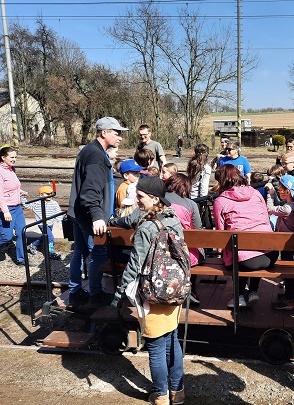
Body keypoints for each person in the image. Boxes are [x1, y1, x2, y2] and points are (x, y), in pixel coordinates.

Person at [109, 176, 185, 405]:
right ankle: (177, 392)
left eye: (140, 197)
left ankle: (160, 395)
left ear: (153, 198)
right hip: (174, 290)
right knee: (172, 340)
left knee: (156, 346)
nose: (138, 201)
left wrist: (118, 297)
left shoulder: (148, 227)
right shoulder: (174, 220)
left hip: (153, 294)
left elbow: (135, 265)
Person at [67, 116, 126, 307]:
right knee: (97, 254)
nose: (120, 138)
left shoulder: (89, 151)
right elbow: (90, 190)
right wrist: (97, 216)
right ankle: (95, 295)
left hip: (78, 213)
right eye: (116, 133)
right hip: (90, 217)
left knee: (80, 252)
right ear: (104, 133)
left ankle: (75, 290)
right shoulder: (96, 156)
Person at [212, 165, 278, 308]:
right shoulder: (256, 193)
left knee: (237, 252)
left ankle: (239, 295)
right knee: (257, 243)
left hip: (244, 259)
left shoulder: (220, 201)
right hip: (270, 256)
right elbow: (266, 221)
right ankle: (253, 290)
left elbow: (220, 233)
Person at [0, 146, 31, 267]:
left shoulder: (11, 169)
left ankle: (22, 259)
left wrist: (20, 191)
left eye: (16, 157)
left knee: (22, 233)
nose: (14, 159)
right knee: (7, 236)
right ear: (3, 157)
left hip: (16, 207)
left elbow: (13, 185)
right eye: (12, 157)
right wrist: (5, 211)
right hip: (3, 208)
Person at [164, 173, 205, 304]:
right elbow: (198, 230)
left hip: (162, 249)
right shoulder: (191, 204)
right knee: (196, 249)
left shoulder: (157, 200)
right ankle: (190, 288)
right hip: (186, 251)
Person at [265, 174, 294, 311]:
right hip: (292, 243)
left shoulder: (288, 209)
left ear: (287, 191)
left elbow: (270, 210)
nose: (278, 190)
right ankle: (290, 295)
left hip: (288, 244)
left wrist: (269, 194)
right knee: (289, 272)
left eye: (280, 188)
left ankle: (290, 299)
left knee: (288, 272)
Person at [22, 185, 63, 260]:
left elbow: (58, 212)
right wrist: (22, 198)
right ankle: (51, 253)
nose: (50, 195)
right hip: (42, 224)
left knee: (45, 236)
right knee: (50, 238)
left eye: (51, 193)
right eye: (47, 194)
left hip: (51, 223)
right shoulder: (37, 202)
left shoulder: (54, 203)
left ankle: (33, 245)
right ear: (41, 194)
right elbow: (27, 205)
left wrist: (59, 221)